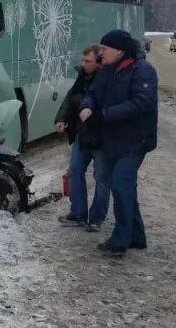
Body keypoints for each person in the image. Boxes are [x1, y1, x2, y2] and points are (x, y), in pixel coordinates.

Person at [80, 29, 158, 257]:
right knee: (126, 187)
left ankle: (120, 239)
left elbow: (142, 103)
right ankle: (136, 235)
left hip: (135, 140)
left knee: (121, 185)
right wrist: (87, 105)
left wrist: (104, 114)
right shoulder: (107, 69)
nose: (100, 53)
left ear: (120, 50)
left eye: (104, 49)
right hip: (114, 140)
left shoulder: (143, 70)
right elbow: (92, 93)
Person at [56, 45, 110, 232]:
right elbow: (70, 99)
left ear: (98, 61)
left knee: (102, 177)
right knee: (75, 171)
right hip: (83, 133)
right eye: (83, 60)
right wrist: (62, 118)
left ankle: (96, 218)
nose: (84, 64)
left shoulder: (107, 79)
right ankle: (78, 213)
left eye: (88, 61)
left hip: (102, 135)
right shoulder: (82, 77)